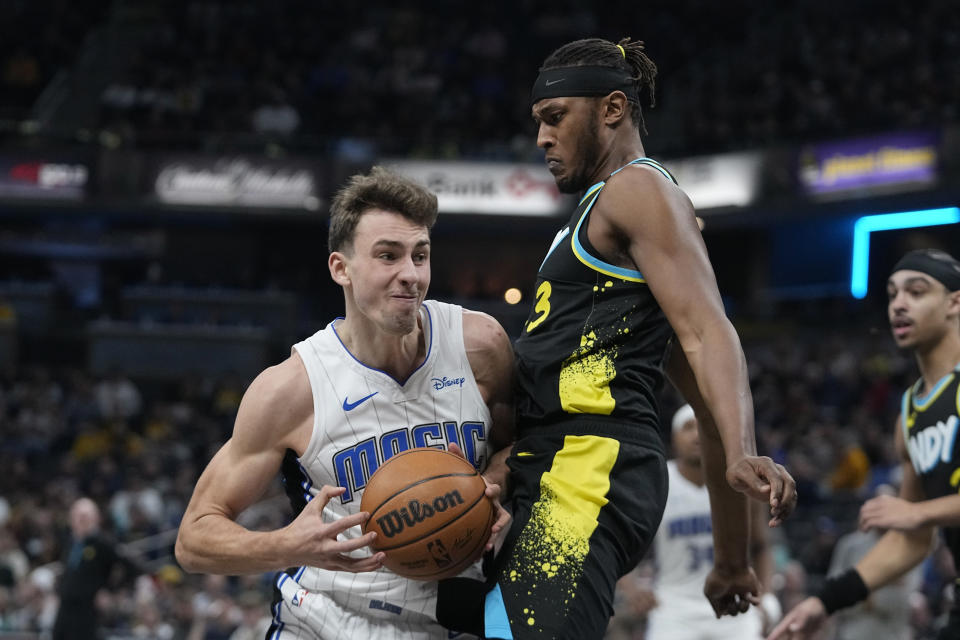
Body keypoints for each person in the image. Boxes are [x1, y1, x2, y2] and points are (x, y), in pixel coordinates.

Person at [468, 37, 797, 640]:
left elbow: (707, 329)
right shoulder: (603, 229)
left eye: (554, 118)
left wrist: (747, 445)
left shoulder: (637, 190)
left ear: (613, 109)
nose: (541, 137)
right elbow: (703, 401)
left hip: (588, 470)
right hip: (560, 469)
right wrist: (730, 563)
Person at [175, 166, 515, 639]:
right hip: (324, 619)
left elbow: (526, 448)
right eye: (388, 256)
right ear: (341, 268)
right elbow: (194, 538)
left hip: (451, 619)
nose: (410, 275)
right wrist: (288, 546)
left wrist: (495, 481)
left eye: (421, 255)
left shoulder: (480, 345)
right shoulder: (293, 387)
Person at [768, 248, 960, 640]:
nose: (899, 305)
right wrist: (825, 600)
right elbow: (911, 542)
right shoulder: (910, 411)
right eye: (892, 294)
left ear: (955, 302)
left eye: (917, 291)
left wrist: (918, 513)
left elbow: (914, 520)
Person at [608, 404, 782, 640]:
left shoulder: (741, 480)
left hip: (735, 604)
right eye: (688, 428)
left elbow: (761, 546)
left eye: (702, 428)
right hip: (673, 607)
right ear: (673, 438)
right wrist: (631, 589)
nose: (697, 435)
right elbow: (620, 540)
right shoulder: (658, 480)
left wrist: (768, 598)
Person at [826, 484, 923, 640]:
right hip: (854, 631)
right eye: (878, 505)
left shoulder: (908, 547)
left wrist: (862, 592)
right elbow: (834, 590)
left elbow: (903, 600)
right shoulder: (850, 545)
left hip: (892, 632)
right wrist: (883, 587)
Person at [53, 497, 142, 640]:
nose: (81, 520)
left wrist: (111, 590)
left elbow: (132, 566)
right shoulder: (70, 542)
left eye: (85, 517)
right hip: (65, 607)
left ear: (96, 519)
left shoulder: (103, 543)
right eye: (78, 516)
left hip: (86, 610)